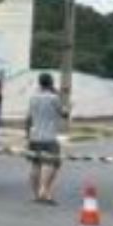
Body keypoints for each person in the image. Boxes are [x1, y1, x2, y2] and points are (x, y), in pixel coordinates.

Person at [26, 72, 67, 205]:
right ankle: (44, 191)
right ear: (51, 83)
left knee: (35, 165)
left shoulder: (33, 98)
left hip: (35, 136)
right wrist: (61, 97)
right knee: (51, 164)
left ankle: (36, 194)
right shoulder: (54, 98)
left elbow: (28, 118)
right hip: (49, 136)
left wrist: (27, 135)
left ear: (39, 83)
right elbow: (64, 113)